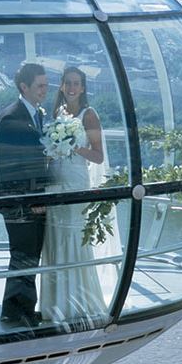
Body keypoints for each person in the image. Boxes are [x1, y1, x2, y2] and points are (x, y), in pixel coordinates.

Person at [39, 66, 115, 325]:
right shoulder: (57, 113)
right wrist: (53, 149)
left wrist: (74, 145)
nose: (71, 88)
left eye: (76, 83)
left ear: (83, 88)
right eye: (67, 83)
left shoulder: (89, 115)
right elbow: (50, 150)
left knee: (72, 237)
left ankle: (79, 304)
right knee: (55, 237)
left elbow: (98, 156)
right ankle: (55, 304)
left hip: (75, 183)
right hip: (55, 181)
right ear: (61, 86)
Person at [0, 63, 50, 328]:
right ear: (23, 87)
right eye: (39, 86)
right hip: (21, 201)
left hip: (29, 199)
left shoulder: (34, 114)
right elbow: (17, 167)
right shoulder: (11, 118)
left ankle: (19, 309)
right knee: (23, 255)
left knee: (27, 254)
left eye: (46, 85)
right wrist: (33, 201)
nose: (44, 90)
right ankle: (18, 312)